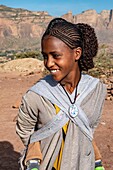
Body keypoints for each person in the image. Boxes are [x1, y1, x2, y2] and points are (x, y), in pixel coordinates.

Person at [16, 18, 106, 170]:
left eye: (55, 55)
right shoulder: (37, 95)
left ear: (77, 53)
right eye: (45, 56)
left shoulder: (96, 91)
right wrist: (33, 159)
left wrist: (96, 161)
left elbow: (88, 129)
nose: (48, 63)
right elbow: (26, 130)